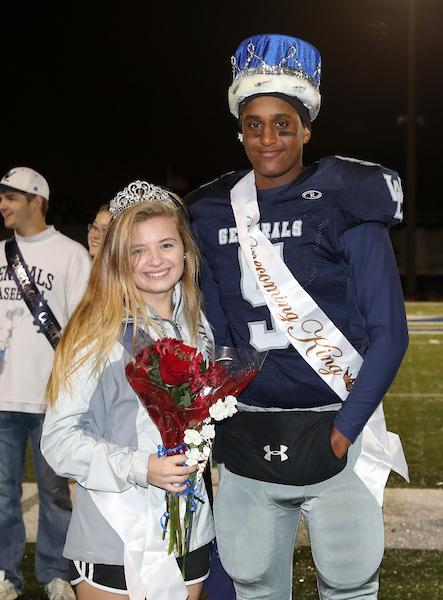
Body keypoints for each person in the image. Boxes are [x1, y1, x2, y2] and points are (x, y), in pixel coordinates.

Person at [187, 34, 409, 600]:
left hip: (335, 416)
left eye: (283, 124)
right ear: (238, 128)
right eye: (254, 124)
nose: (268, 138)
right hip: (248, 429)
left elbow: (389, 331)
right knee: (254, 580)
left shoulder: (344, 196)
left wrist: (345, 429)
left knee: (350, 578)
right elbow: (210, 329)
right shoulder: (211, 209)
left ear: (306, 128)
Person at [41, 180, 215, 600]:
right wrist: (142, 466)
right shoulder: (93, 333)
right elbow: (58, 441)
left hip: (188, 527)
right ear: (119, 259)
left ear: (186, 251)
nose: (154, 261)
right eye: (138, 250)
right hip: (113, 533)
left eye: (166, 245)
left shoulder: (199, 326)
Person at [0, 166, 91, 600]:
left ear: (38, 201)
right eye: (2, 197)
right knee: (1, 494)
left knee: (55, 493)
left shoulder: (71, 255)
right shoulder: (0, 254)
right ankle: (5, 573)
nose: (4, 205)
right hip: (2, 397)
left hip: (53, 396)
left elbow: (85, 326)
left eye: (12, 197)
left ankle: (56, 572)